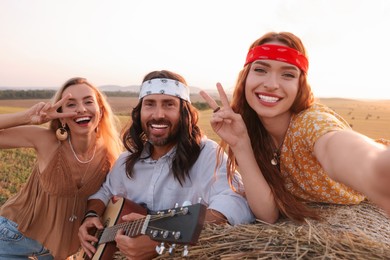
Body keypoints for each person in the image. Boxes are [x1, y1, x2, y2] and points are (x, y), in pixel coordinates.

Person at [200, 31, 390, 223]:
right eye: (260, 70)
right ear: (245, 77)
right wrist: (240, 144)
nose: (271, 84)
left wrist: (375, 166)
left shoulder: (310, 123)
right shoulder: (249, 130)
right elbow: (267, 215)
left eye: (288, 74)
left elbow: (333, 144)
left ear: (300, 85)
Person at [78, 70, 254, 259]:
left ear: (184, 112)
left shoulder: (206, 154)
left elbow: (236, 202)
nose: (158, 114)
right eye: (150, 104)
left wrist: (164, 235)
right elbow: (104, 192)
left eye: (169, 105)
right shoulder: (126, 160)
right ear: (140, 112)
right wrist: (91, 216)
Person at [0, 77, 122, 259]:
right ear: (61, 114)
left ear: (101, 110)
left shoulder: (109, 153)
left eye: (88, 101)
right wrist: (28, 117)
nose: (81, 109)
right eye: (71, 104)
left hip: (57, 252)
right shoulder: (47, 141)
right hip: (14, 239)